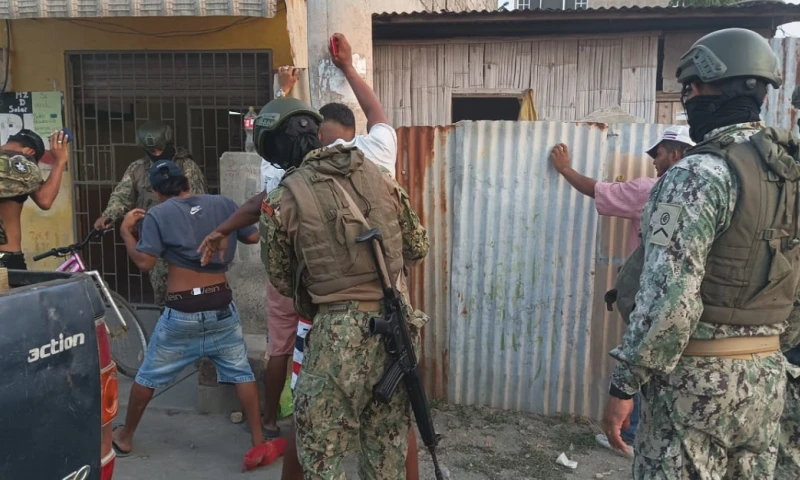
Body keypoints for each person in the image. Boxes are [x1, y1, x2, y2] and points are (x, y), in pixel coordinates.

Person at [601, 28, 800, 479]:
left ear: (708, 88)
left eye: (688, 90)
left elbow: (669, 299)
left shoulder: (697, 174)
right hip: (768, 382)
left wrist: (624, 385)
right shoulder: (789, 174)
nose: (687, 100)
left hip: (695, 387)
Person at [249, 34, 400, 441]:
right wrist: (347, 66)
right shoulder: (374, 153)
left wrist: (283, 92)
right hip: (385, 297)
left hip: (320, 302)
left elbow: (281, 274)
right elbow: (377, 114)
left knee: (308, 401)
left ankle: (270, 421)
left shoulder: (289, 180)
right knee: (391, 413)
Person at [549, 126, 694, 457]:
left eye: (658, 153)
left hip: (650, 295)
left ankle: (629, 435)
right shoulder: (708, 194)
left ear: (675, 154)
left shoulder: (649, 190)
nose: (653, 159)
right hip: (689, 300)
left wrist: (565, 169)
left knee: (641, 361)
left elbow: (598, 190)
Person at [111, 160, 264, 457]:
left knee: (149, 375)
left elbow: (145, 262)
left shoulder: (158, 214)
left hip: (182, 311)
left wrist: (127, 233)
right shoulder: (223, 203)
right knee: (241, 372)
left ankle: (126, 436)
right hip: (221, 305)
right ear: (188, 183)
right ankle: (259, 443)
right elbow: (253, 236)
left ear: (157, 192)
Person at [92, 121, 207, 306]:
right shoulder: (137, 168)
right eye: (152, 150)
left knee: (187, 288)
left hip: (184, 238)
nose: (157, 154)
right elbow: (122, 195)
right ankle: (165, 315)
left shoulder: (186, 166)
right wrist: (109, 215)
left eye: (161, 149)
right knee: (161, 290)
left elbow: (197, 200)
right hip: (153, 239)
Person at [0, 129, 70, 269]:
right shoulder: (22, 168)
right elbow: (45, 200)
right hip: (6, 257)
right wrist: (60, 161)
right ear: (29, 152)